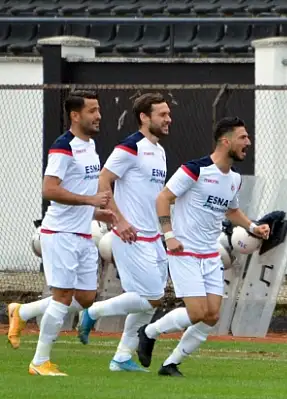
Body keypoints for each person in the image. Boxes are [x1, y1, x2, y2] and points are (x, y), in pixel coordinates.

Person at [135, 117, 270, 377]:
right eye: (243, 137)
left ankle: (170, 364)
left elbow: (231, 210)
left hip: (210, 254)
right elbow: (164, 197)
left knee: (211, 316)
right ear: (225, 141)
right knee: (197, 312)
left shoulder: (234, 179)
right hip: (183, 251)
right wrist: (169, 235)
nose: (248, 143)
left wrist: (253, 227)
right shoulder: (194, 169)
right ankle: (149, 332)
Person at [19, 91, 115, 376]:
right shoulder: (64, 147)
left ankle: (21, 312)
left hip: (83, 232)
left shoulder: (90, 145)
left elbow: (81, 190)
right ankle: (39, 362)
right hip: (60, 233)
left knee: (85, 298)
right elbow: (49, 189)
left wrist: (96, 212)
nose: (98, 116)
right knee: (62, 297)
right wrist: (90, 202)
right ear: (75, 116)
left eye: (98, 110)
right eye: (92, 111)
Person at [74, 93, 171, 372]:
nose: (168, 119)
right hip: (130, 235)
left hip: (153, 236)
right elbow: (103, 180)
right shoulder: (130, 147)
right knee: (151, 296)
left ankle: (121, 358)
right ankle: (93, 312)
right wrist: (119, 220)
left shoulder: (159, 151)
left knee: (149, 303)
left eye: (168, 114)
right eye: (162, 115)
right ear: (144, 117)